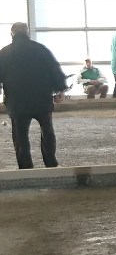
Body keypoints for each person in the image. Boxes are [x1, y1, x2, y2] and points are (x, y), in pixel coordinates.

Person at [0, 22, 68, 169]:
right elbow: (54, 69)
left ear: (11, 34)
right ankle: (51, 163)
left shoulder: (4, 53)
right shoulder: (41, 49)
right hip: (41, 99)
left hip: (17, 102)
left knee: (20, 136)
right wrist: (60, 90)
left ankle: (25, 167)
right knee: (47, 131)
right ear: (28, 32)